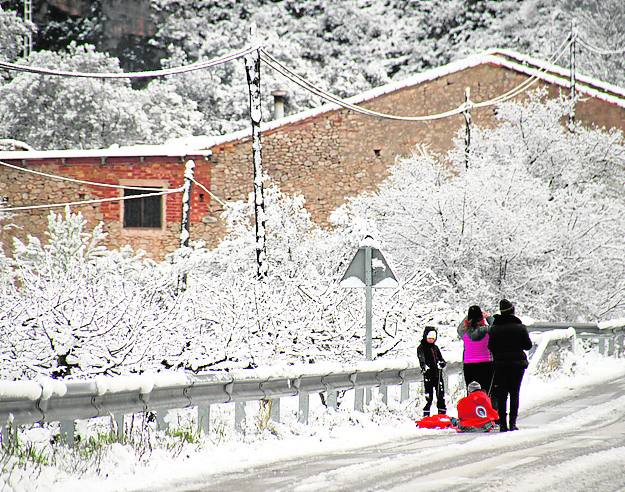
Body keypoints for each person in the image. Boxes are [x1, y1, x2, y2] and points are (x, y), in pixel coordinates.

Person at [488, 299, 533, 432]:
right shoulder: (520, 327)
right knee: (514, 392)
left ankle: (502, 424)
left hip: (500, 364)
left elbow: (490, 346)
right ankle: (512, 423)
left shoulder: (495, 328)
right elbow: (527, 345)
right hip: (517, 363)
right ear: (513, 312)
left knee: (502, 394)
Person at [458, 305, 494, 396]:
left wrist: (470, 316)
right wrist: (488, 317)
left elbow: (459, 328)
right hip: (486, 364)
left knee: (472, 394)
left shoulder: (464, 332)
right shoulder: (487, 330)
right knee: (485, 393)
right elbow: (497, 327)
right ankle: (485, 409)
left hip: (469, 365)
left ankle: (472, 409)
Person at [417, 327, 447, 417]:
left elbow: (441, 359)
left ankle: (442, 413)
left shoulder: (435, 348)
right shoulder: (421, 348)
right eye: (429, 338)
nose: (431, 340)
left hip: (438, 375)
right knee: (428, 396)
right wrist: (424, 366)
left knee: (440, 394)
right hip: (428, 375)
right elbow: (421, 358)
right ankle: (426, 413)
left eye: (433, 339)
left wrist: (442, 363)